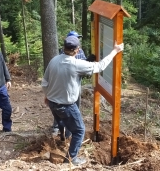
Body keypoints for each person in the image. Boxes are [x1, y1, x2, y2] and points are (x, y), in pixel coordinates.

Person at [42, 36, 124, 165]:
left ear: (64, 48)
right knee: (80, 131)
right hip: (66, 105)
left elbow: (45, 82)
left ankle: (63, 138)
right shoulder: (76, 64)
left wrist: (47, 95)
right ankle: (71, 159)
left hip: (52, 102)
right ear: (77, 50)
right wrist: (115, 50)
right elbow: (100, 66)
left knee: (62, 121)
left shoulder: (54, 60)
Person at [52, 31, 88, 137]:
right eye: (76, 38)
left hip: (76, 84)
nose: (78, 40)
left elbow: (84, 64)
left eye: (78, 38)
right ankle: (57, 128)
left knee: (75, 107)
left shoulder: (80, 51)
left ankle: (69, 131)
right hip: (64, 84)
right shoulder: (62, 52)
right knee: (61, 106)